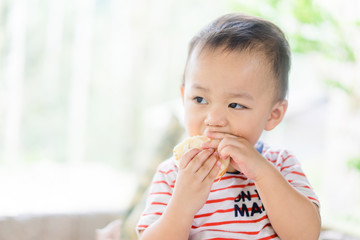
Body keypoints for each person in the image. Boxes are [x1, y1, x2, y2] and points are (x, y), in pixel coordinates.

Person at [137, 13, 321, 240]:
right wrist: (182, 205)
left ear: (273, 114)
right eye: (200, 100)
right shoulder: (172, 174)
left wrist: (261, 172)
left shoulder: (281, 165)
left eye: (235, 104)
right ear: (184, 97)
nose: (213, 119)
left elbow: (306, 235)